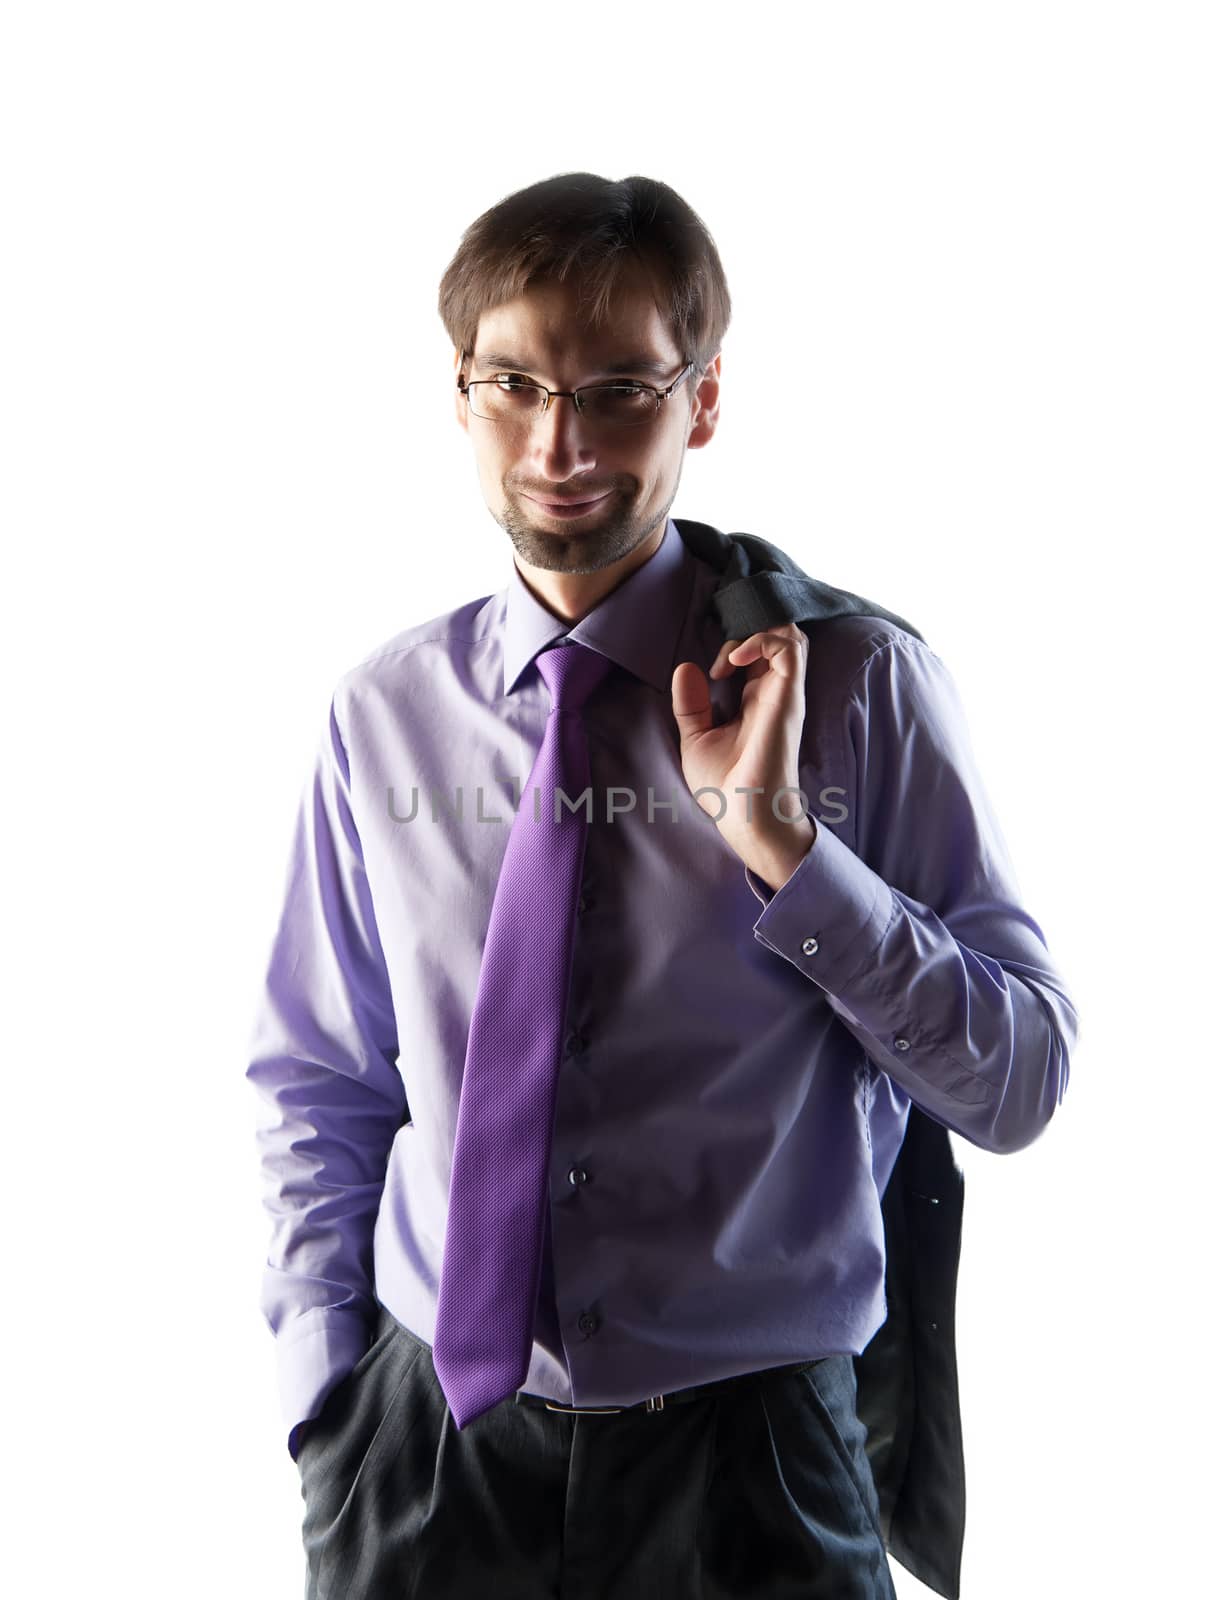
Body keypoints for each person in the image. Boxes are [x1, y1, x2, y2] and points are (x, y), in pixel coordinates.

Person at [245, 172, 1078, 1600]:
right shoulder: (381, 712)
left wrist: (787, 854)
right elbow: (319, 1083)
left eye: (621, 389)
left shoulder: (861, 689)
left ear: (701, 401)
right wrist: (328, 1408)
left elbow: (1017, 1082)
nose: (560, 441)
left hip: (750, 1468)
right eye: (514, 384)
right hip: (432, 1461)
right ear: (459, 393)